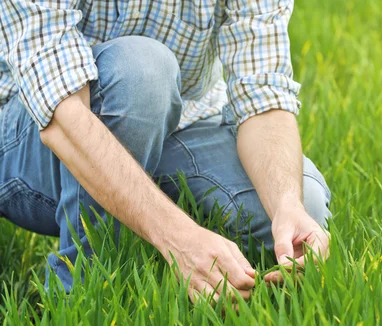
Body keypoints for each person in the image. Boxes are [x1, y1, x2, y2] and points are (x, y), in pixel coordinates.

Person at [0, 1, 331, 302]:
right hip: (32, 128)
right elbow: (61, 113)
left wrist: (287, 205)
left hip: (183, 121)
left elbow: (262, 95)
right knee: (142, 73)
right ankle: (75, 301)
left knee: (303, 212)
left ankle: (158, 232)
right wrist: (179, 239)